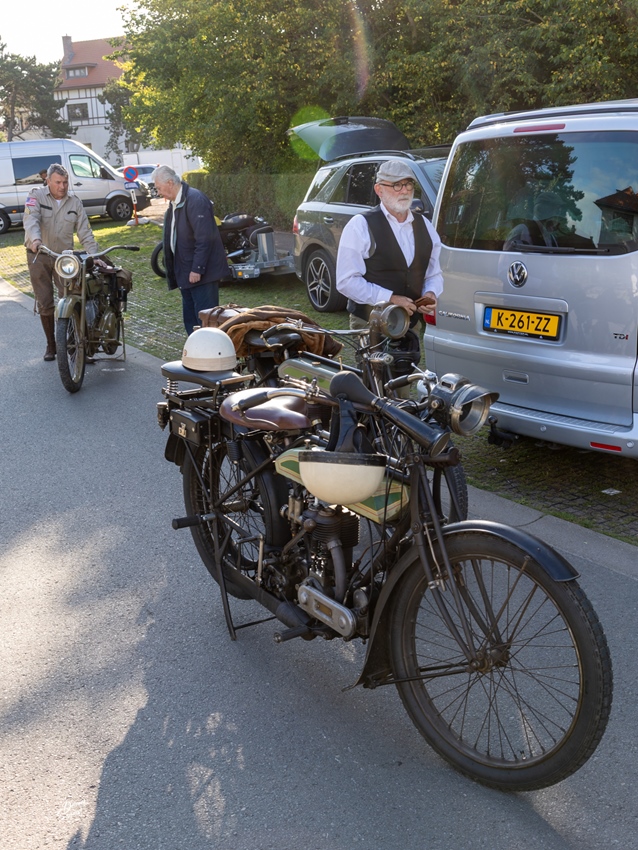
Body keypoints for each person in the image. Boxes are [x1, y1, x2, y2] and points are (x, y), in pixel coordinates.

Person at [336, 158, 443, 329]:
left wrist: (431, 292)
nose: (404, 191)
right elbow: (346, 281)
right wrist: (390, 299)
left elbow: (434, 274)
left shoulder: (425, 225)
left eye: (408, 184)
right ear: (379, 190)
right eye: (396, 185)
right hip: (372, 324)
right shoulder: (360, 225)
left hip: (409, 324)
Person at [23, 163, 101, 361]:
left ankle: (75, 346)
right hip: (39, 255)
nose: (62, 186)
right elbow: (31, 220)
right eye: (58, 182)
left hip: (64, 257)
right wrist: (35, 240)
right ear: (48, 181)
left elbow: (85, 231)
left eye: (65, 182)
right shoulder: (35, 196)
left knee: (71, 297)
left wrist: (94, 255)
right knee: (45, 302)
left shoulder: (74, 202)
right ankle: (51, 345)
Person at [152, 165, 229, 336]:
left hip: (201, 275)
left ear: (170, 183)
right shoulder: (175, 202)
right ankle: (195, 349)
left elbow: (204, 239)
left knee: (206, 321)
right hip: (185, 273)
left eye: (159, 188)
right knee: (191, 321)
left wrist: (197, 269)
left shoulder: (195, 200)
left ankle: (208, 351)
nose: (158, 192)